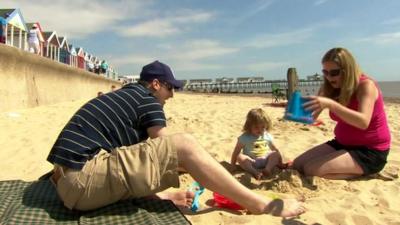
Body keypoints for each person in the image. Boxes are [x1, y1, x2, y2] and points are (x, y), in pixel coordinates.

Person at [46, 60, 305, 217]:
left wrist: (162, 196)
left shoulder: (124, 98)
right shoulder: (146, 100)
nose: (172, 95)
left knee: (157, 155)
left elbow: (135, 161)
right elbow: (171, 150)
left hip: (67, 179)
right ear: (155, 84)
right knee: (184, 144)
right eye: (171, 88)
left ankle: (165, 199)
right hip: (82, 180)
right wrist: (208, 166)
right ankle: (261, 204)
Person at [292, 47, 391, 180]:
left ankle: (367, 172)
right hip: (342, 144)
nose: (329, 77)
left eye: (334, 73)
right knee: (298, 164)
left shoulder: (366, 85)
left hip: (370, 151)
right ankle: (354, 169)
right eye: (325, 73)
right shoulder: (330, 87)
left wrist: (331, 104)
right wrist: (292, 107)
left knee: (311, 169)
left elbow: (363, 122)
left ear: (348, 70)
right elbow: (310, 117)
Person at [231, 108, 284, 179]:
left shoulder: (267, 136)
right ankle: (255, 172)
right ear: (249, 126)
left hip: (266, 161)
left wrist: (280, 163)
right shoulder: (244, 137)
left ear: (266, 126)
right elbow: (236, 152)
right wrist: (233, 165)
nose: (260, 130)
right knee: (240, 157)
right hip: (251, 162)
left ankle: (267, 169)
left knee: (275, 154)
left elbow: (275, 149)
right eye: (256, 127)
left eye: (263, 127)